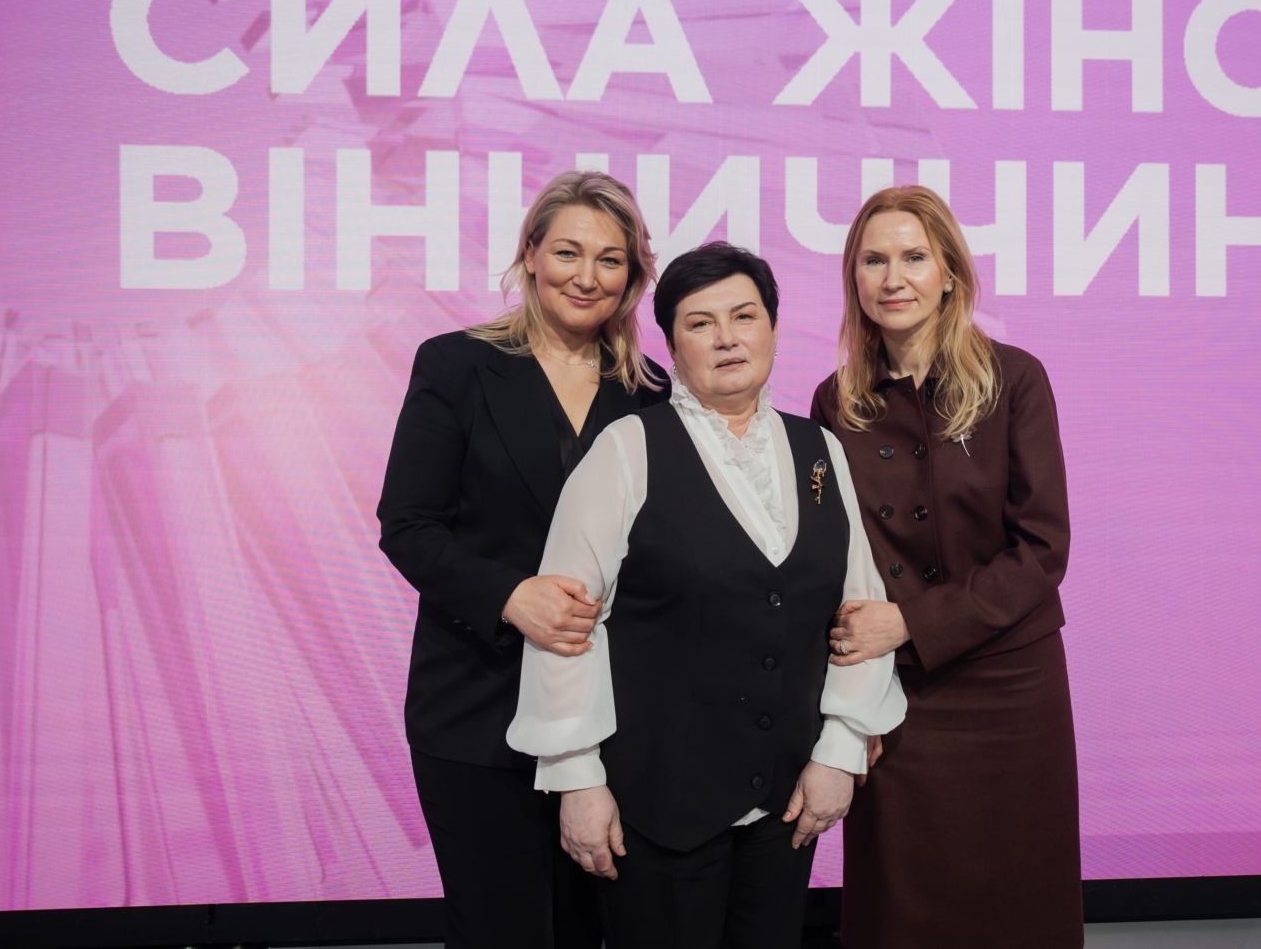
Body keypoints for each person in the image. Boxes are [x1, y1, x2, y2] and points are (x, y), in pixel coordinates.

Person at [507, 242, 906, 949]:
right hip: (654, 807)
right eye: (700, 323)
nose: (727, 338)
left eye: (744, 316)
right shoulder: (627, 448)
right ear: (670, 344)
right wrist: (576, 777)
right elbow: (566, 627)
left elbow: (860, 613)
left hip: (788, 800)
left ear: (773, 329)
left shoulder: (821, 450)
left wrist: (840, 750)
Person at [377, 171, 668, 949]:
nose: (587, 275)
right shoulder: (456, 365)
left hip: (606, 722)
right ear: (530, 254)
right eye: (568, 251)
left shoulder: (650, 394)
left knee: (587, 933)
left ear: (634, 276)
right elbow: (407, 525)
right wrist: (510, 595)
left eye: (610, 259)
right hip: (478, 711)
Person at [812, 186, 1082, 949]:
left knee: (1019, 903)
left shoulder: (1014, 379)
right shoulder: (836, 402)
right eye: (874, 260)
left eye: (913, 257)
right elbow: (836, 557)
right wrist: (843, 704)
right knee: (902, 905)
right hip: (899, 693)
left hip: (1010, 687)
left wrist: (910, 621)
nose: (893, 277)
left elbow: (1043, 548)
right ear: (854, 279)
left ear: (950, 274)